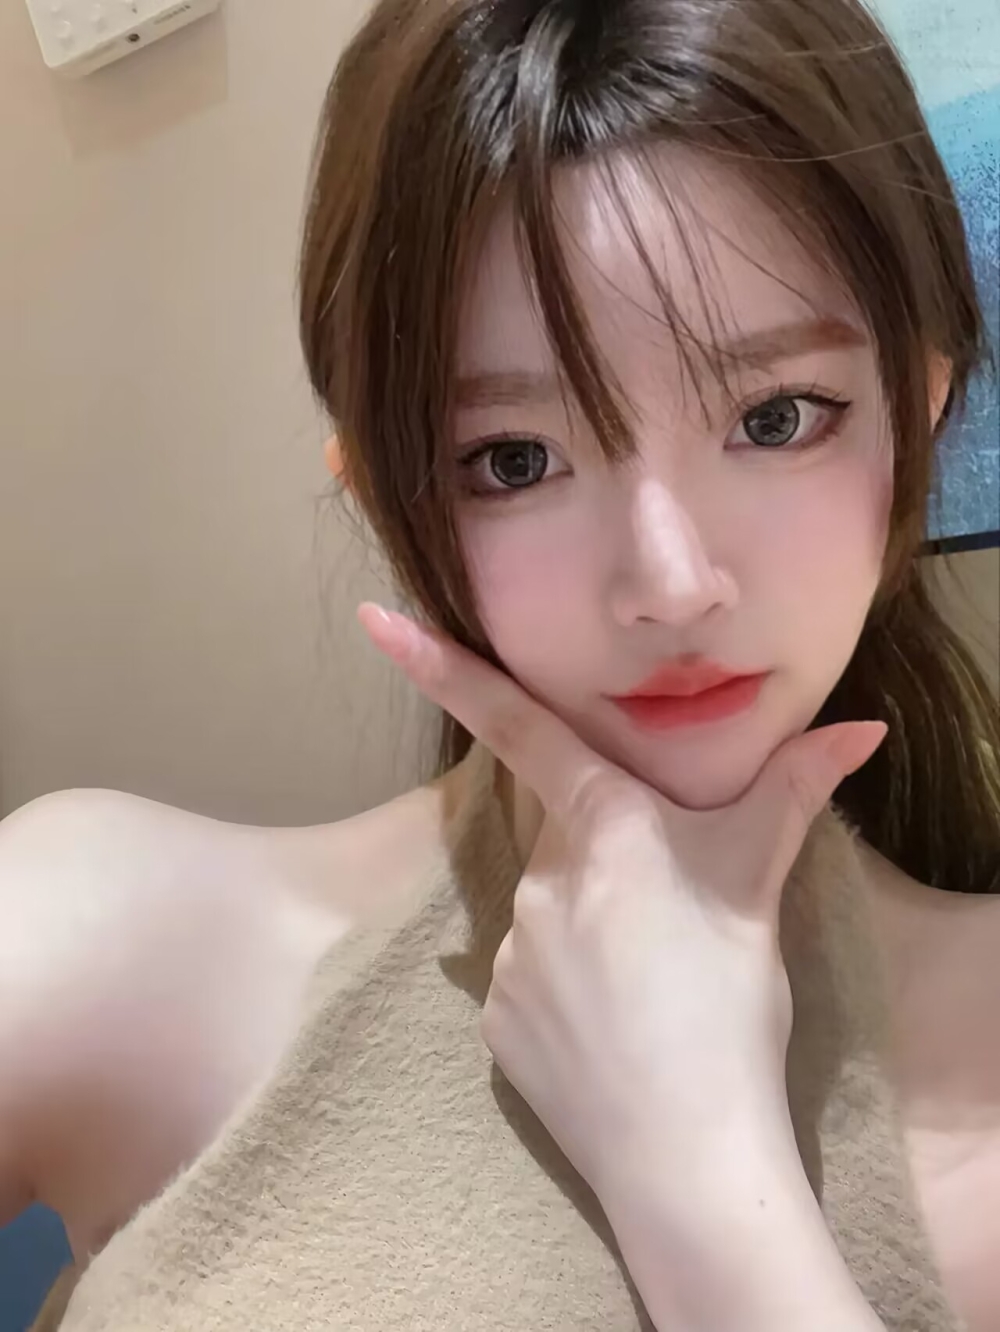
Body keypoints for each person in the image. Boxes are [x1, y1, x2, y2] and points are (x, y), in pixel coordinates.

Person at [2, 0, 998, 1327]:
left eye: (776, 418)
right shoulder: (111, 932)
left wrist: (703, 1176)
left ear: (920, 407)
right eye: (516, 460)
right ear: (388, 502)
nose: (671, 583)